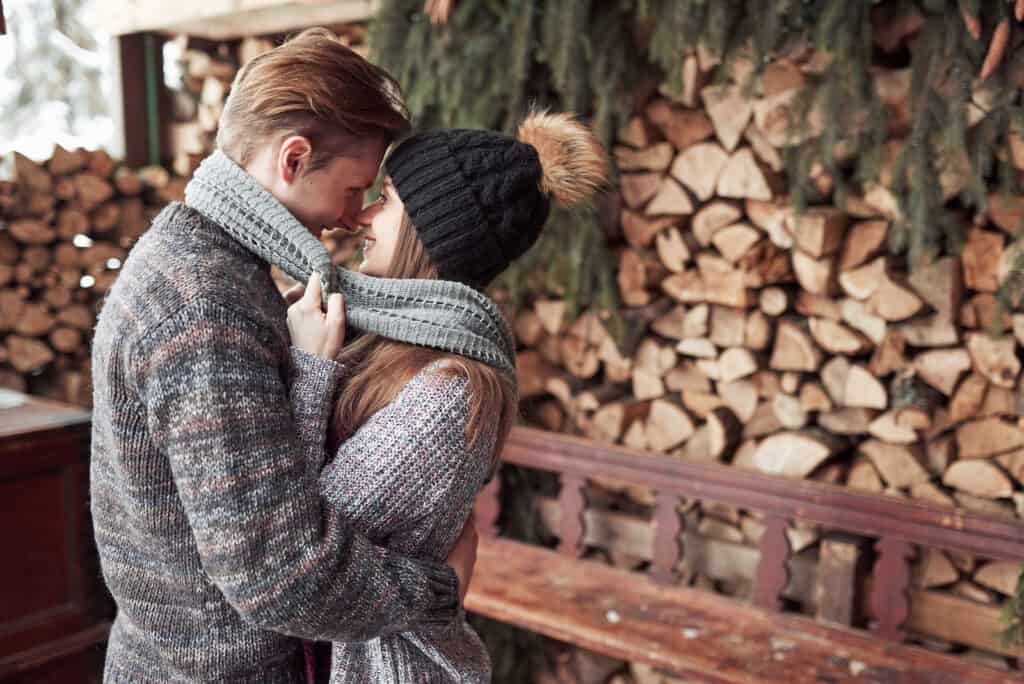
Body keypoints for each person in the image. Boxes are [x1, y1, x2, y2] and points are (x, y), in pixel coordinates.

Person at [90, 27, 515, 683]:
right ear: (292, 159)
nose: (353, 217)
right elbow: (277, 575)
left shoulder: (199, 262)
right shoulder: (207, 306)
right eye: (354, 188)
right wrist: (438, 592)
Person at [287, 111, 607, 682]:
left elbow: (294, 535)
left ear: (433, 229)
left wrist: (310, 369)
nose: (361, 216)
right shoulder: (384, 338)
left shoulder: (450, 392)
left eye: (384, 198)